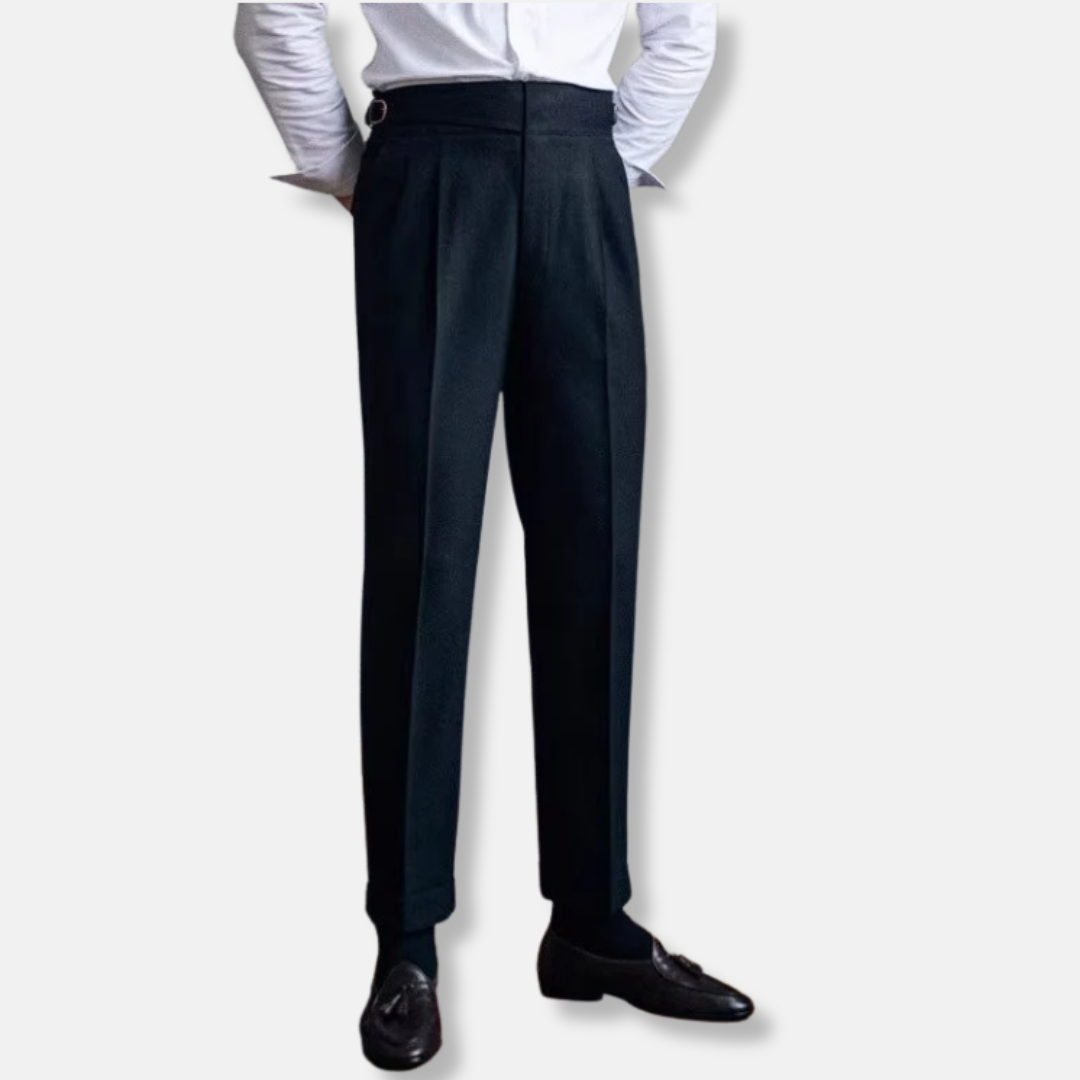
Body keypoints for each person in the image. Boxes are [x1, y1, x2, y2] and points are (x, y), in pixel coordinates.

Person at [234, 3, 753, 1070]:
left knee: (595, 544)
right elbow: (273, 12)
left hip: (580, 166)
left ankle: (591, 923)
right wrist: (350, 170)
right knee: (423, 554)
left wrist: (597, 163)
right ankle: (406, 942)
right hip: (430, 169)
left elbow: (684, 28)